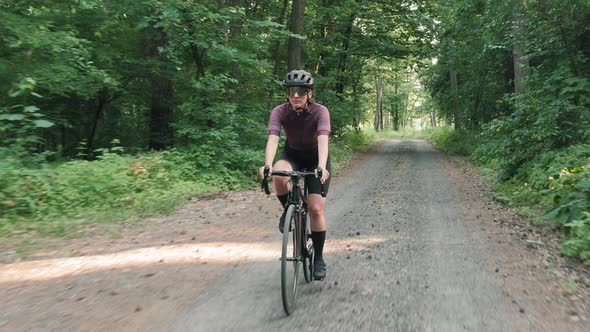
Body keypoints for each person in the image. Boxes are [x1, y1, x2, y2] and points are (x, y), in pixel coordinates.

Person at [259, 69, 331, 280]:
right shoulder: (280, 111)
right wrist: (267, 164)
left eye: (301, 91)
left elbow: (323, 140)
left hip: (317, 157)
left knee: (316, 209)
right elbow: (273, 138)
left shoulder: (320, 111)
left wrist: (321, 165)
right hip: (292, 155)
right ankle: (288, 209)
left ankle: (318, 258)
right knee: (279, 175)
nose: (296, 95)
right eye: (292, 91)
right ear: (287, 93)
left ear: (309, 93)